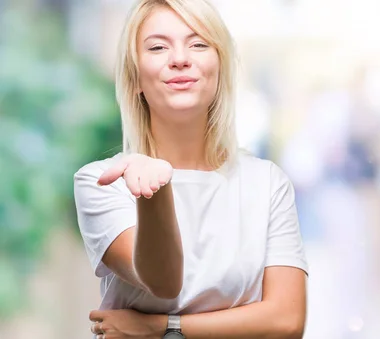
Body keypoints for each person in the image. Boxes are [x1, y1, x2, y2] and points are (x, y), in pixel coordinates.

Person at [73, 1, 308, 338]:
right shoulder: (104, 181)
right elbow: (163, 282)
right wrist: (154, 191)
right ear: (135, 76)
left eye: (198, 44)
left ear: (219, 69)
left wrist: (162, 327)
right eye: (157, 47)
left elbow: (286, 320)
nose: (180, 58)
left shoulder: (267, 182)